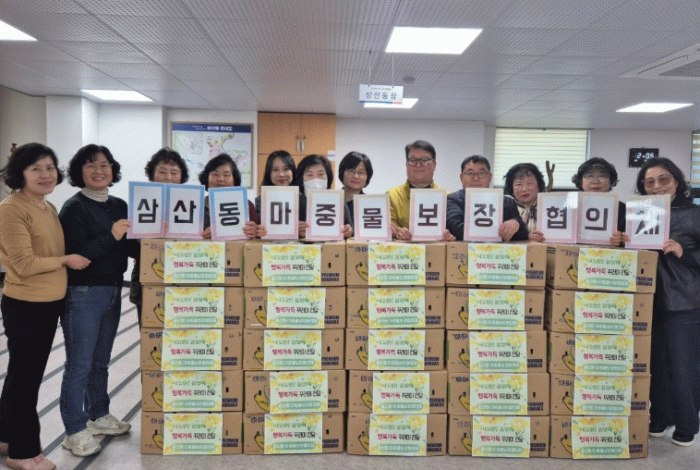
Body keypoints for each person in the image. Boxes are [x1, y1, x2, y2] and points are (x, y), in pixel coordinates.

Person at [0, 143, 90, 470]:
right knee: (26, 379)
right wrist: (65, 260)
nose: (45, 174)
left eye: (50, 167)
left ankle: (6, 436)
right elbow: (24, 264)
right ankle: (22, 453)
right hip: (26, 305)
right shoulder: (11, 209)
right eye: (35, 168)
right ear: (19, 174)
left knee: (21, 375)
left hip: (48, 303)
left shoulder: (46, 206)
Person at [59, 144, 138, 457]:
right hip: (83, 293)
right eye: (90, 165)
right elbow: (77, 255)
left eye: (105, 165)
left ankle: (99, 415)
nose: (99, 171)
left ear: (113, 170)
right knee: (79, 364)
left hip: (113, 289)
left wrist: (165, 238)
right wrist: (112, 236)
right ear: (79, 172)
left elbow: (129, 247)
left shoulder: (118, 204)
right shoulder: (73, 208)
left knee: (100, 361)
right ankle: (74, 430)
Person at [638, 158, 700, 447]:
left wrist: (683, 253)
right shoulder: (641, 213)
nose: (657, 186)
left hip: (684, 303)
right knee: (655, 366)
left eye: (664, 179)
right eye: (649, 182)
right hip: (648, 301)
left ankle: (687, 424)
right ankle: (660, 417)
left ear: (676, 181)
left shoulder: (694, 214)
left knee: (683, 368)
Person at [129, 148, 190, 327]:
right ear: (152, 174)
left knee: (182, 332)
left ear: (182, 176)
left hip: (183, 275)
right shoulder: (141, 200)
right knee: (150, 331)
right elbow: (130, 245)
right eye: (162, 172)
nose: (168, 178)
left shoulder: (191, 202)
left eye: (174, 172)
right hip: (148, 274)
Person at [446, 155, 528, 241]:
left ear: (490, 177)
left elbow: (523, 235)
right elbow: (456, 229)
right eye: (470, 173)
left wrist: (516, 224)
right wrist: (499, 231)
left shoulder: (506, 201)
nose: (476, 178)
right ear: (461, 177)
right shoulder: (452, 199)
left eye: (481, 173)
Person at [387, 140, 454, 241]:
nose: (418, 165)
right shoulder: (391, 195)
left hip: (436, 249)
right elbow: (389, 226)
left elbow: (453, 228)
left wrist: (450, 235)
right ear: (407, 165)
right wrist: (398, 232)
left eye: (424, 160)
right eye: (413, 160)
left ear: (434, 165)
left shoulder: (448, 197)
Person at [199, 153, 260, 239]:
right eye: (215, 174)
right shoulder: (197, 206)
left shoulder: (247, 206)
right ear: (206, 178)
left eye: (226, 175)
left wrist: (255, 231)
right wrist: (201, 235)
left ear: (234, 179)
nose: (221, 179)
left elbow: (257, 236)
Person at [572, 157, 627, 246]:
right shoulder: (571, 207)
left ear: (611, 181)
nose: (595, 181)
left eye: (602, 176)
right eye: (589, 176)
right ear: (580, 181)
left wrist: (621, 240)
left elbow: (630, 240)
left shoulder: (623, 209)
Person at [295, 154, 352, 238]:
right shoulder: (296, 202)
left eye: (321, 174)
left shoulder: (338, 200)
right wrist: (295, 231)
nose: (315, 179)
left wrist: (348, 231)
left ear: (328, 178)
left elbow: (349, 229)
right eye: (310, 175)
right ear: (302, 181)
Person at [503, 163, 546, 242]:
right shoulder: (504, 209)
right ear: (511, 188)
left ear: (538, 185)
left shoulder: (549, 207)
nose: (524, 189)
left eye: (529, 183)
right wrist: (526, 238)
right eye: (519, 184)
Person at [255, 150, 296, 214]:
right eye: (275, 169)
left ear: (293, 171)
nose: (281, 174)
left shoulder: (303, 199)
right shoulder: (260, 201)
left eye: (286, 169)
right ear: (269, 173)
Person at [338, 151, 373, 222]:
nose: (356, 176)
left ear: (367, 177)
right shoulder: (332, 200)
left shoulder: (371, 205)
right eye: (351, 171)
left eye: (361, 172)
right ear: (342, 172)